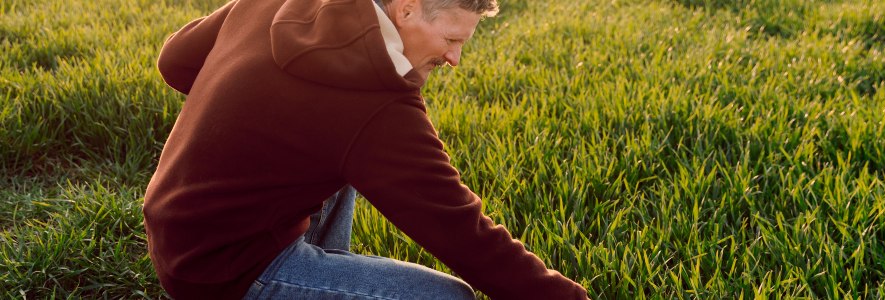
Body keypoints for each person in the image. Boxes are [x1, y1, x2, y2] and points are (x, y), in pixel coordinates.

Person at [143, 0, 589, 298]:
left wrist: (258, 116)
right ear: (408, 9)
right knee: (449, 297)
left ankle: (324, 270)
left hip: (175, 220)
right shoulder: (376, 107)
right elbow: (461, 233)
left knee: (331, 152)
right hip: (220, 268)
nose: (455, 59)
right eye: (452, 39)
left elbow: (176, 59)